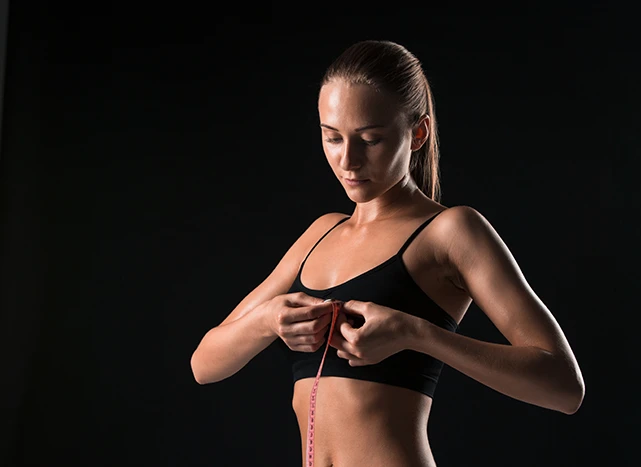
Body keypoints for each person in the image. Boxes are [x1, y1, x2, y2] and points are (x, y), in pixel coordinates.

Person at [190, 40, 585, 467]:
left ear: (418, 133)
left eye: (370, 140)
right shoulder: (320, 233)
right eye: (332, 138)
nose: (348, 161)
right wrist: (267, 321)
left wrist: (417, 334)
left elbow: (564, 387)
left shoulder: (451, 231)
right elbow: (204, 365)